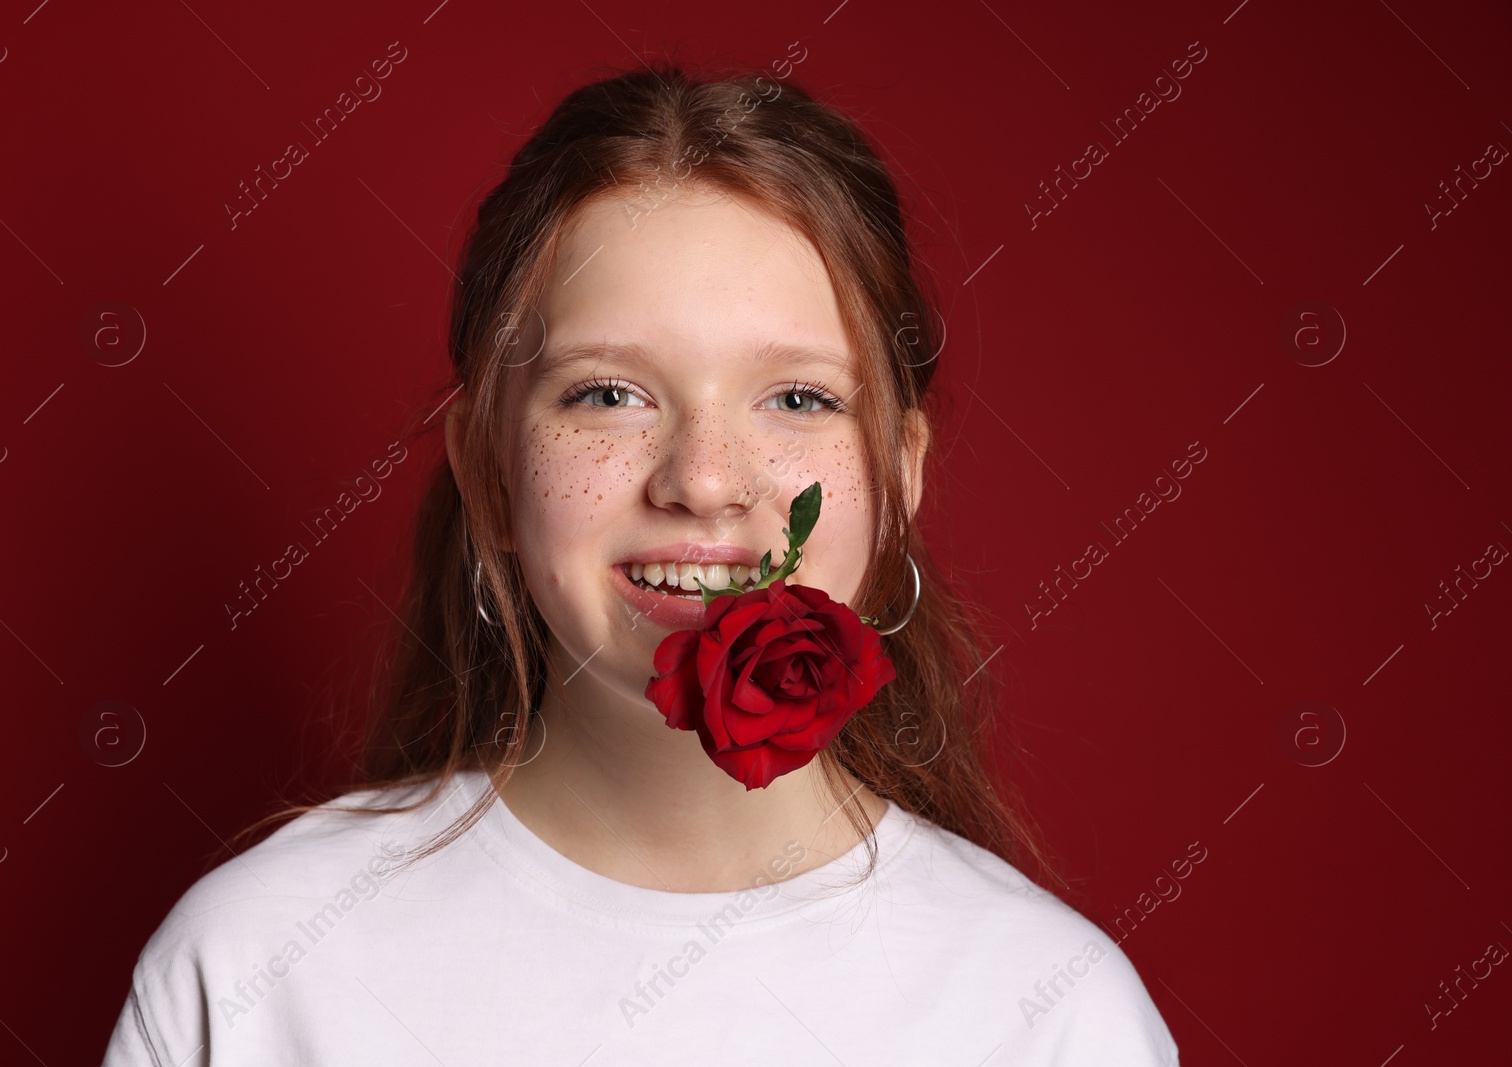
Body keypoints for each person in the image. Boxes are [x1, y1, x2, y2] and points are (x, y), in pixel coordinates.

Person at [101, 62, 1181, 1065]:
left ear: (898, 474)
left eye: (798, 397)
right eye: (608, 393)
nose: (705, 480)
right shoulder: (251, 969)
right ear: (487, 468)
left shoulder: (1050, 1011)